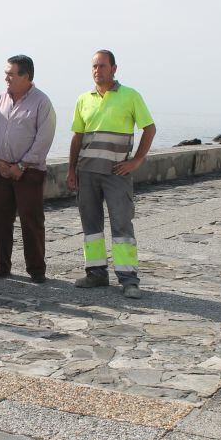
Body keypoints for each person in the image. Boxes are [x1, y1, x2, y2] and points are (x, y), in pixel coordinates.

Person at [67, 50, 156, 299]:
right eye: (94, 67)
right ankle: (96, 273)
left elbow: (149, 128)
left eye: (103, 66)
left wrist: (136, 161)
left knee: (121, 225)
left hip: (116, 173)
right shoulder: (84, 99)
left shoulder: (130, 96)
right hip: (86, 173)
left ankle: (129, 279)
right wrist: (71, 170)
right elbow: (77, 137)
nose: (98, 71)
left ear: (114, 69)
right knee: (91, 226)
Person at [0, 55, 56, 283]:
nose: (6, 78)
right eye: (6, 73)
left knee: (31, 220)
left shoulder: (42, 102)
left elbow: (44, 139)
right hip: (2, 170)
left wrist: (22, 165)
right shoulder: (1, 99)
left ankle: (36, 269)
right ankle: (1, 265)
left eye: (11, 74)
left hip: (30, 172)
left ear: (26, 77)